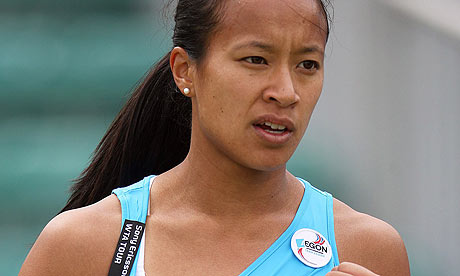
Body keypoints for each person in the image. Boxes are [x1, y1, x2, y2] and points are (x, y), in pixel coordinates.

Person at [19, 0, 410, 275]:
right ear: (185, 70)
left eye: (307, 64)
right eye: (256, 59)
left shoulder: (367, 249)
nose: (286, 91)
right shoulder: (82, 246)